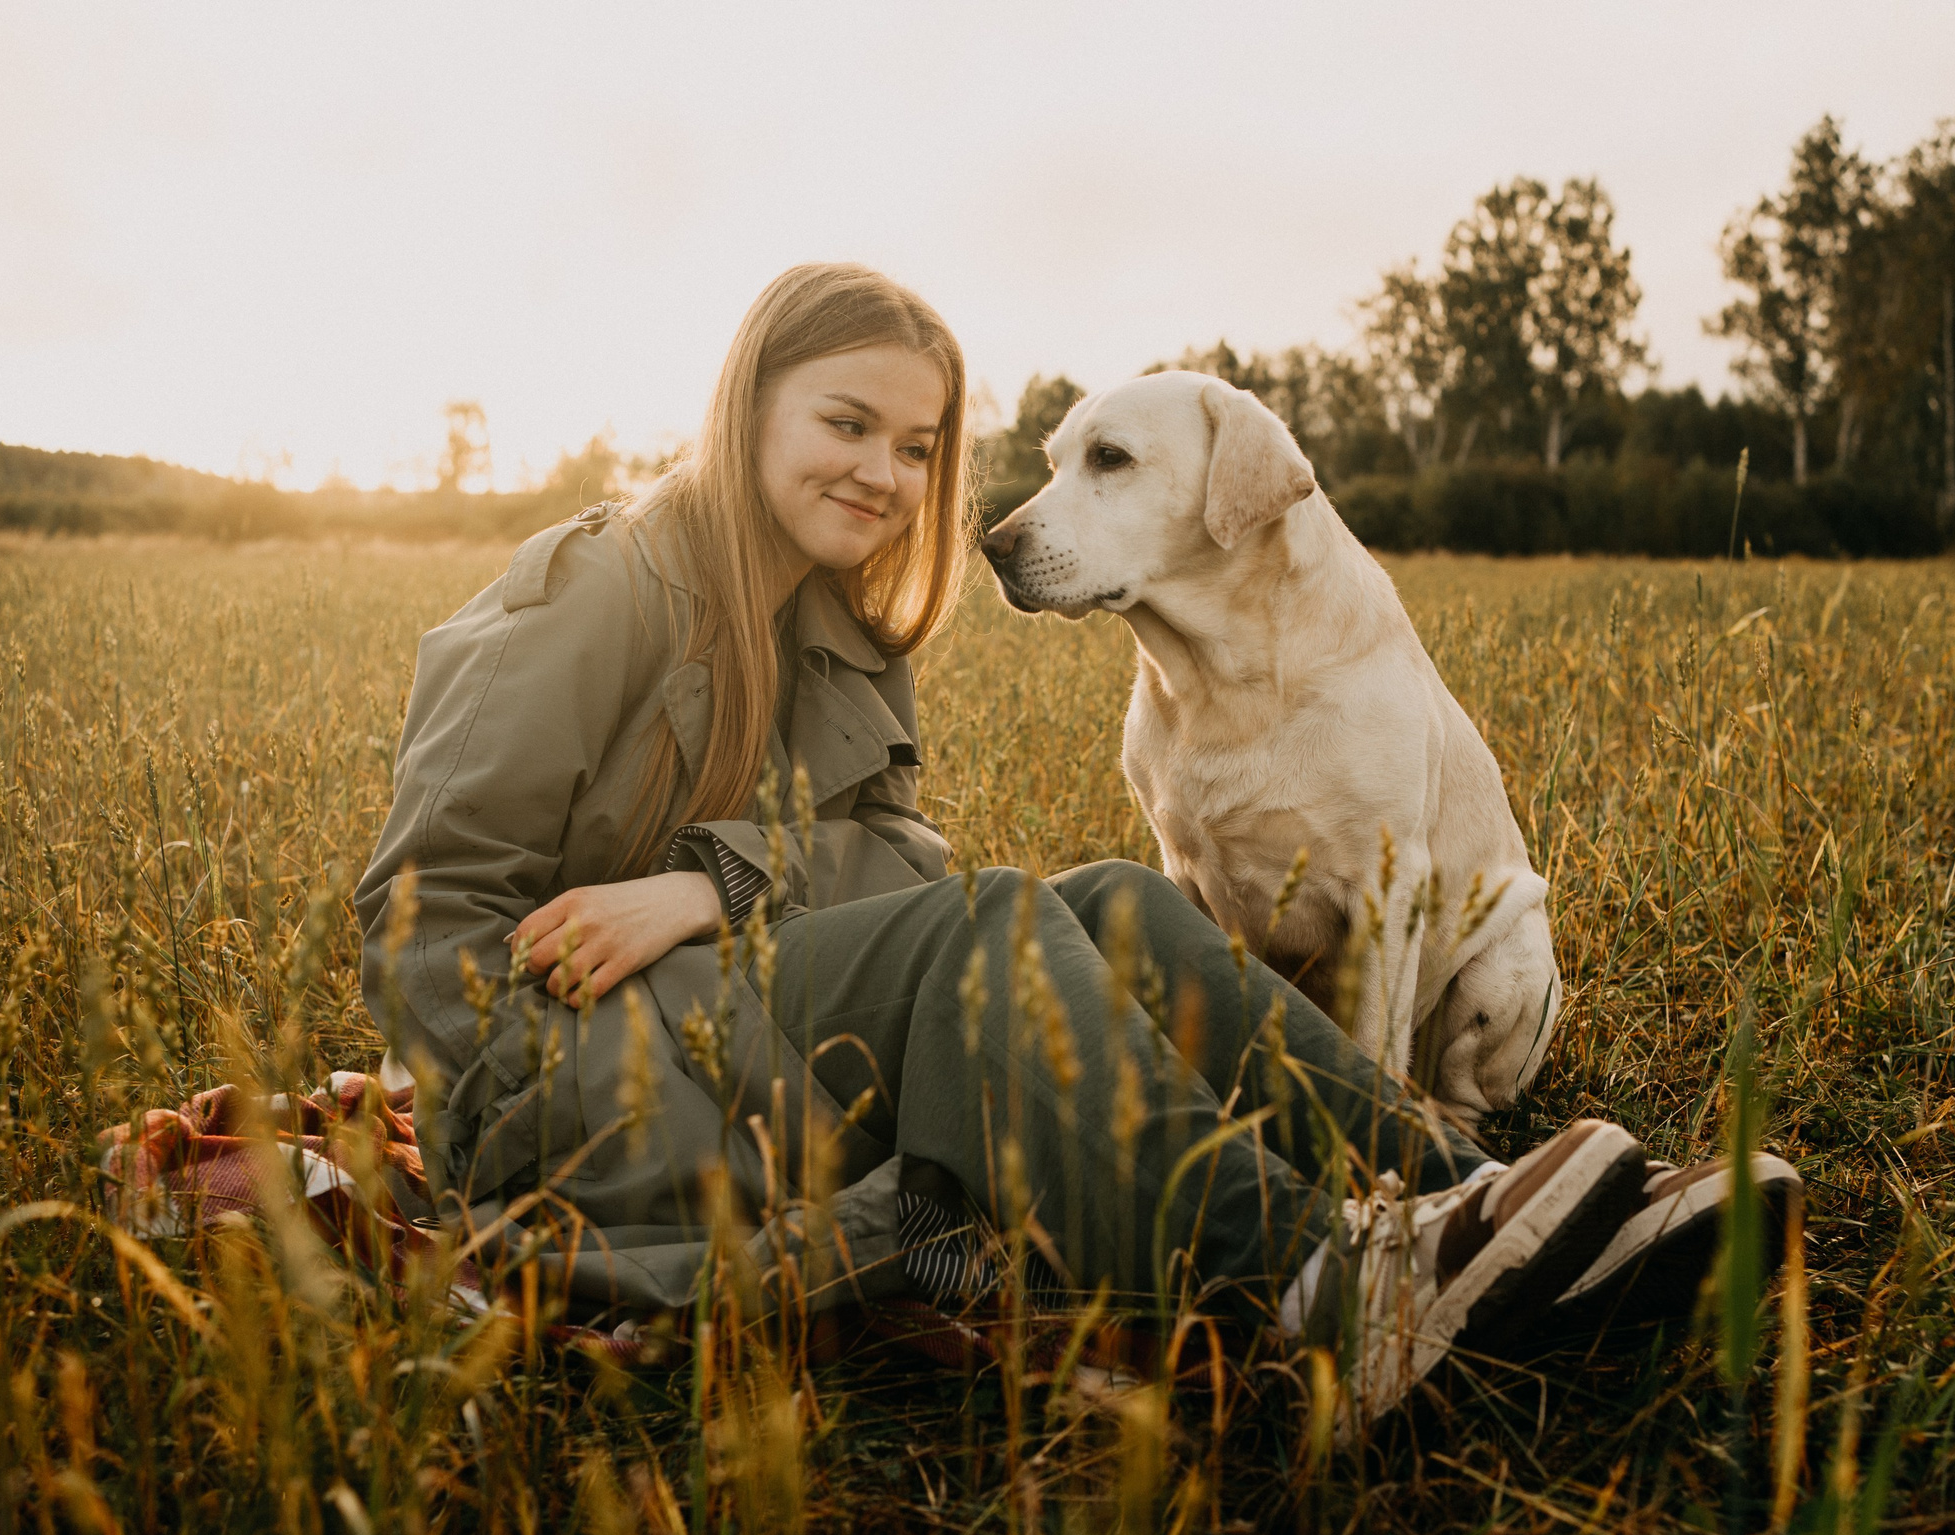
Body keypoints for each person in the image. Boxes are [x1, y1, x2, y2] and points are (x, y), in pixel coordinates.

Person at [353, 262, 1794, 1439]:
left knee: (1106, 901)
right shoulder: (595, 589)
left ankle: (1469, 1189)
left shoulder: (842, 629)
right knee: (989, 926)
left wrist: (706, 886)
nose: (885, 474)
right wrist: (556, 1096)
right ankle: (1324, 1279)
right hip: (580, 1084)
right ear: (749, 408)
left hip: (754, 1024)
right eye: (846, 424)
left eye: (917, 448)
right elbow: (423, 913)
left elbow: (898, 859)